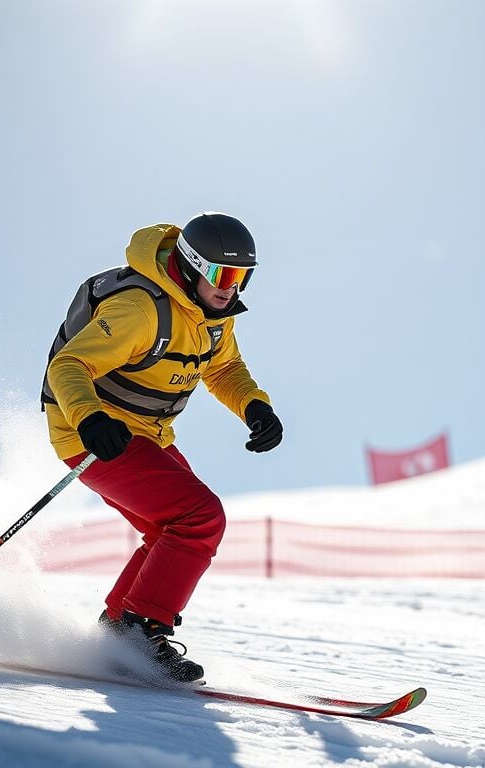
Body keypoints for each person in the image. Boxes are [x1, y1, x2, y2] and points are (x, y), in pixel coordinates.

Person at [41, 212, 283, 682]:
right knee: (200, 516)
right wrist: (89, 418)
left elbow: (224, 370)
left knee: (171, 532)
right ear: (191, 267)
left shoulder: (214, 317)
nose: (230, 288)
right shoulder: (140, 309)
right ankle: (137, 630)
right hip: (94, 436)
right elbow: (68, 366)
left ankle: (118, 633)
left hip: (148, 436)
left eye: (241, 277)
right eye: (221, 274)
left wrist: (255, 406)